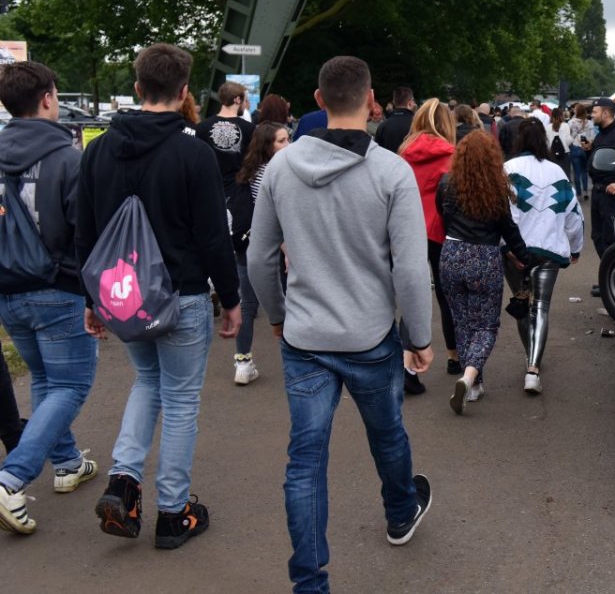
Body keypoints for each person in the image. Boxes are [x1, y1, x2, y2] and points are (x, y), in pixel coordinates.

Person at [247, 55, 433, 592]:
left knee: (304, 459)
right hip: (370, 335)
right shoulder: (391, 172)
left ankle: (309, 582)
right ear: (371, 100)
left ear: (319, 99)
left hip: (305, 336)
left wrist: (279, 318)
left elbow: (260, 259)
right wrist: (418, 337)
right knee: (387, 434)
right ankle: (400, 512)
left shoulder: (279, 169)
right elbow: (410, 267)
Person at [77, 43, 241, 550]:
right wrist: (231, 298)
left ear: (137, 88)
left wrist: (92, 297)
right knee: (181, 399)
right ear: (184, 92)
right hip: (182, 294)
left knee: (146, 382)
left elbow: (86, 231)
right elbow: (213, 236)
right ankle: (174, 511)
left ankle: (124, 485)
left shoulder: (99, 148)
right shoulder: (194, 153)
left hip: (122, 295)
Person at [0, 60, 97, 535]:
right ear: (47, 98)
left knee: (44, 378)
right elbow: (85, 234)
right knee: (71, 385)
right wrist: (94, 297)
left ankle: (67, 463)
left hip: (7, 289)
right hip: (57, 288)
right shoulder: (68, 157)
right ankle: (10, 479)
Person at [436, 132, 534, 414]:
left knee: (463, 322)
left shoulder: (447, 184)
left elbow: (442, 216)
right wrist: (524, 258)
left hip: (452, 253)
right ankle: (468, 377)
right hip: (484, 257)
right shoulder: (495, 188)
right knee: (486, 325)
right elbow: (509, 230)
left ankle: (475, 385)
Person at [503, 119, 584, 395]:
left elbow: (501, 212)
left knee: (522, 304)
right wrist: (575, 247)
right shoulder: (558, 174)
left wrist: (506, 246)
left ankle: (531, 353)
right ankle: (533, 369)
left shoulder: (508, 170)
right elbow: (573, 215)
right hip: (549, 251)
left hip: (515, 252)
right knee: (541, 308)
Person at [399, 99, 459, 386]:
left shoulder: (404, 153)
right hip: (439, 231)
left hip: (408, 230)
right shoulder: (451, 155)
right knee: (446, 297)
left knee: (413, 295)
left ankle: (406, 365)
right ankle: (454, 356)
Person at [228, 122, 290, 385]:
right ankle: (293, 361)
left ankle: (243, 361)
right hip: (275, 247)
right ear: (268, 146)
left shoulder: (248, 173)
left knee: (248, 304)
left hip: (248, 246)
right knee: (289, 305)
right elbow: (281, 215)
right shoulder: (277, 173)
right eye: (282, 141)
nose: (288, 145)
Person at [580, 97, 615, 296]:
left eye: (595, 112)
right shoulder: (601, 135)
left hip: (611, 197)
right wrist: (588, 152)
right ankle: (607, 279)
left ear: (606, 113)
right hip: (598, 193)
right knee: (598, 237)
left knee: (611, 240)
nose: (591, 115)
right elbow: (598, 163)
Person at [196, 81, 253, 197]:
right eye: (244, 100)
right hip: (238, 194)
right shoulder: (250, 129)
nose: (246, 104)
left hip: (209, 192)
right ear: (237, 100)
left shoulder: (202, 127)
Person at [374, 85, 416, 154]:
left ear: (394, 102)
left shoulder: (382, 126)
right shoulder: (417, 124)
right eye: (413, 101)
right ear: (410, 103)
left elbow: (378, 154)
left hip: (388, 164)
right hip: (411, 164)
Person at [567, 102, 592, 200]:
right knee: (584, 171)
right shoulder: (589, 122)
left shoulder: (571, 122)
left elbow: (569, 135)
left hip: (574, 147)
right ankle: (586, 191)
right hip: (585, 147)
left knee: (576, 172)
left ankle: (578, 193)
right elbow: (591, 135)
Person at [546, 106, 572, 178]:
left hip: (551, 153)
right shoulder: (566, 126)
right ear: (561, 116)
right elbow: (568, 141)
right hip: (564, 153)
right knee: (565, 175)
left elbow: (546, 142)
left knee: (553, 176)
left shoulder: (547, 127)